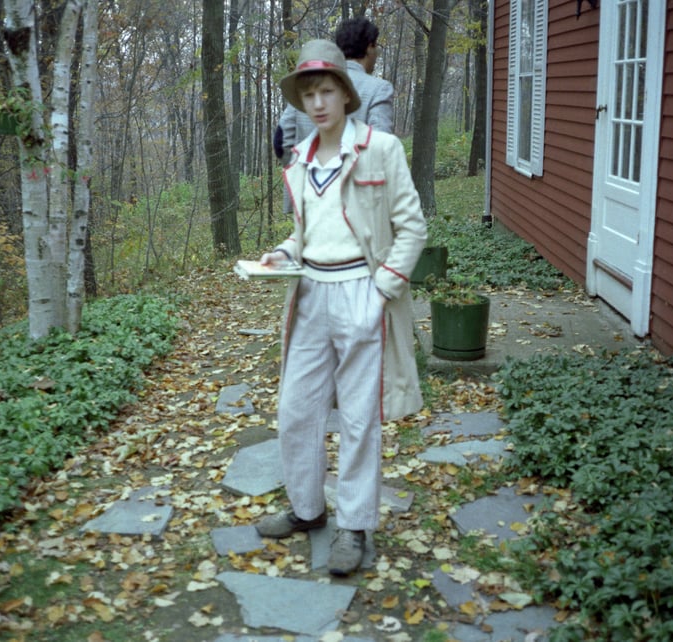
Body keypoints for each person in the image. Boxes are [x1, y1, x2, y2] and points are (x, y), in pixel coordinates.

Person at [254, 39, 426, 577]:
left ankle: (354, 527)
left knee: (357, 416)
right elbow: (307, 233)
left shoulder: (380, 149)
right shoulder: (301, 160)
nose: (318, 103)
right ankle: (307, 510)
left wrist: (381, 292)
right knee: (296, 409)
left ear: (346, 94)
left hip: (361, 291)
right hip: (309, 296)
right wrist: (282, 253)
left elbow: (412, 228)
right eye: (309, 94)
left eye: (327, 90)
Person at [278, 17, 395, 209]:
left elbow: (282, 140)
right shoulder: (378, 89)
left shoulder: (311, 86)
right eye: (377, 47)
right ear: (369, 47)